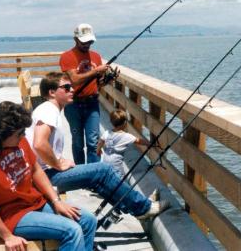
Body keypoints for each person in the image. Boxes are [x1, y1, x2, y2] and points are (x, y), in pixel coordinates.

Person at [25, 72, 169, 221]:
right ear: (52, 92)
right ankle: (144, 208)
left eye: (72, 87)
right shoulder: (48, 110)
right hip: (43, 178)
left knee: (99, 178)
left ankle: (139, 205)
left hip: (41, 175)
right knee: (103, 170)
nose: (72, 90)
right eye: (66, 87)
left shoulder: (48, 109)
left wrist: (59, 161)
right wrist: (58, 164)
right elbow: (39, 144)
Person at [0, 101, 96, 251]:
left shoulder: (20, 142)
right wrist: (7, 236)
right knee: (72, 230)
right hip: (12, 216)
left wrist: (56, 201)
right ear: (2, 133)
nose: (24, 136)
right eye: (19, 133)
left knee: (88, 221)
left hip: (36, 202)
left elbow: (36, 170)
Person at [59, 23, 109, 164]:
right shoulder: (67, 57)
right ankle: (81, 173)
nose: (88, 44)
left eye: (90, 41)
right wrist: (95, 71)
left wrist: (106, 79)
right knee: (78, 143)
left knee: (93, 142)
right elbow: (74, 80)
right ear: (76, 39)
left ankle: (93, 174)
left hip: (92, 103)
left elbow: (99, 82)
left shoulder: (96, 56)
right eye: (84, 41)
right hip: (73, 104)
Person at [97, 109, 149, 179]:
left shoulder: (107, 133)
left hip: (105, 163)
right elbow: (139, 141)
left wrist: (98, 150)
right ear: (125, 123)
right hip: (116, 166)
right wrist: (149, 143)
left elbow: (100, 142)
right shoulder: (127, 136)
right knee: (120, 180)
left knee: (107, 179)